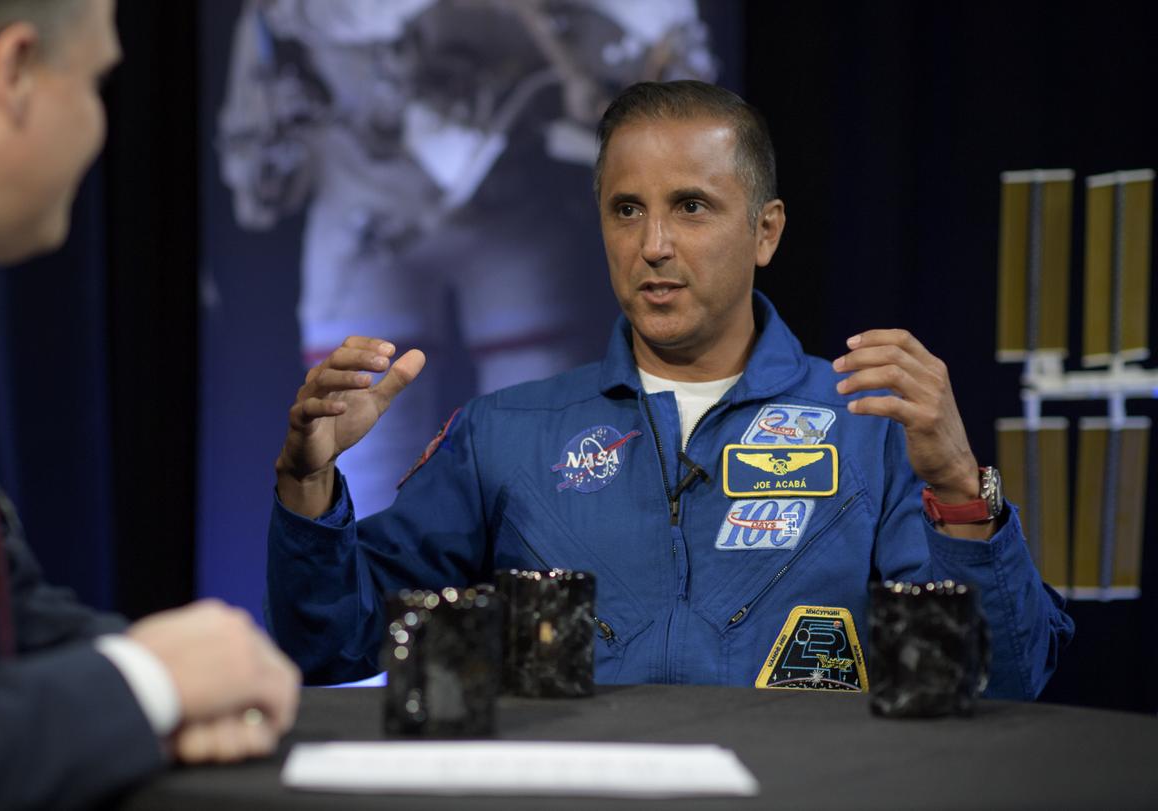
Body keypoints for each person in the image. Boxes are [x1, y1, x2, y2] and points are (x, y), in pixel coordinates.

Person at [267, 80, 1073, 698]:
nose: (653, 244)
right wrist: (307, 486)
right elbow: (333, 642)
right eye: (627, 209)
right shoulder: (505, 432)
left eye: (690, 206)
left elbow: (1002, 680)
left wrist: (961, 489)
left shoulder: (872, 425)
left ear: (766, 231)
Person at [0, 1, 300, 808]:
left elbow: (1, 618)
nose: (101, 127)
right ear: (15, 75)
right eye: (99, 83)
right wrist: (145, 686)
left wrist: (191, 683)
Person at [217, 0, 715, 515]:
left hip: (512, 209)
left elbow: (671, 66)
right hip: (367, 207)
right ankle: (364, 589)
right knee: (361, 469)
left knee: (544, 472)